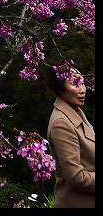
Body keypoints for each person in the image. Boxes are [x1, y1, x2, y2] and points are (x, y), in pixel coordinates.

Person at [46, 65, 95, 208]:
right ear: (60, 88)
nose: (82, 90)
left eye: (82, 82)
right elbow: (76, 177)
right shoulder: (61, 123)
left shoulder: (76, 111)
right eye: (75, 84)